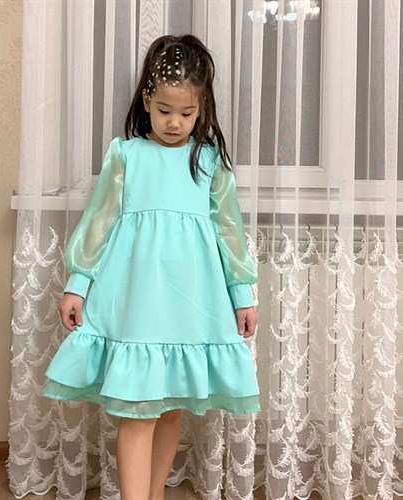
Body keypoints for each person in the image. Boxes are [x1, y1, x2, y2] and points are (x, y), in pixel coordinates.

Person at [43, 34, 260, 500]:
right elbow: (99, 223)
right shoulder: (127, 155)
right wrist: (77, 284)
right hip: (137, 303)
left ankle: (155, 493)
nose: (174, 123)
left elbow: (229, 233)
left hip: (189, 303)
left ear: (201, 109)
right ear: (146, 101)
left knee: (170, 407)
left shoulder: (209, 163)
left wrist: (242, 295)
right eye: (164, 110)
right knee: (137, 411)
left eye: (186, 113)